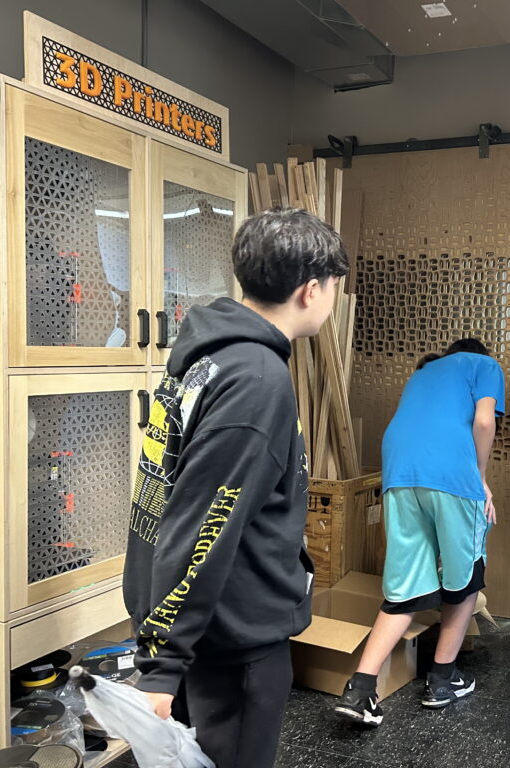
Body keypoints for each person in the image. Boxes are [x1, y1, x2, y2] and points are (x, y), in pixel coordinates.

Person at [123, 208, 348, 768]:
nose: (333, 300)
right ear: (311, 290)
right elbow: (203, 522)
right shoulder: (256, 379)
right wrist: (162, 664)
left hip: (200, 623)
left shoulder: (212, 358)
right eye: (334, 289)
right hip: (233, 635)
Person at [334, 338, 504, 726]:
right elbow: (483, 421)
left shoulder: (425, 372)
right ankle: (442, 680)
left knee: (404, 587)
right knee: (466, 579)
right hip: (451, 476)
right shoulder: (484, 366)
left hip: (398, 473)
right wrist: (479, 478)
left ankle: (361, 689)